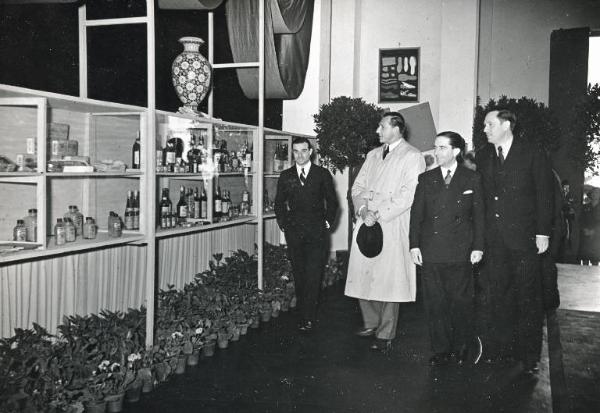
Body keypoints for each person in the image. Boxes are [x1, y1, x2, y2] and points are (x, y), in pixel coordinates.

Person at [476, 109, 553, 374]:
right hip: (494, 240)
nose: (485, 129)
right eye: (485, 124)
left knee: (527, 298)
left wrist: (543, 232)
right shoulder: (483, 155)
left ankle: (529, 356)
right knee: (498, 297)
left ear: (507, 124)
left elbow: (545, 194)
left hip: (524, 239)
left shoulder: (532, 152)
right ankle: (501, 350)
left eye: (490, 124)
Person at [344, 111, 425, 351]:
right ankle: (370, 322)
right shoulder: (372, 155)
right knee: (362, 274)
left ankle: (385, 332)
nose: (377, 131)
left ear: (396, 128)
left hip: (391, 222)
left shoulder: (413, 156)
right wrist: (362, 211)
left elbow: (409, 195)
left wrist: (379, 214)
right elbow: (357, 187)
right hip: (366, 219)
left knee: (391, 280)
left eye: (381, 127)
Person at [409, 131, 485, 366]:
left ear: (455, 151)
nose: (436, 152)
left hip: (461, 252)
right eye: (435, 147)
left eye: (442, 147)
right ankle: (441, 349)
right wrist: (414, 245)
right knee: (435, 303)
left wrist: (478, 247)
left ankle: (462, 347)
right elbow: (416, 216)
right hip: (431, 252)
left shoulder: (471, 179)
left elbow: (480, 217)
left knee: (460, 303)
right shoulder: (426, 179)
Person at [274, 137, 338, 331]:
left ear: (310, 152)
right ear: (292, 153)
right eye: (295, 151)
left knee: (313, 274)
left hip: (317, 233)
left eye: (303, 151)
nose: (299, 155)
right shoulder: (286, 176)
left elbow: (333, 202)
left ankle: (307, 317)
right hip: (295, 233)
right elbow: (279, 204)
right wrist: (284, 225)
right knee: (299, 274)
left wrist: (327, 222)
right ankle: (304, 312)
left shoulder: (322, 174)